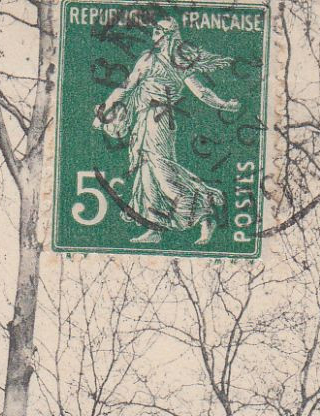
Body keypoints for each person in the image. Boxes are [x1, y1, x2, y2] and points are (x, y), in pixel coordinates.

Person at [93, 16, 242, 245]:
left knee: (163, 173)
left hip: (161, 121)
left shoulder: (180, 64)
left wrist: (224, 105)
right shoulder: (147, 60)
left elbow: (201, 92)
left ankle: (206, 208)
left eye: (159, 31)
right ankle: (155, 227)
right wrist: (104, 111)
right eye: (154, 31)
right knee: (147, 172)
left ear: (171, 35)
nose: (155, 35)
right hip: (144, 120)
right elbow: (125, 88)